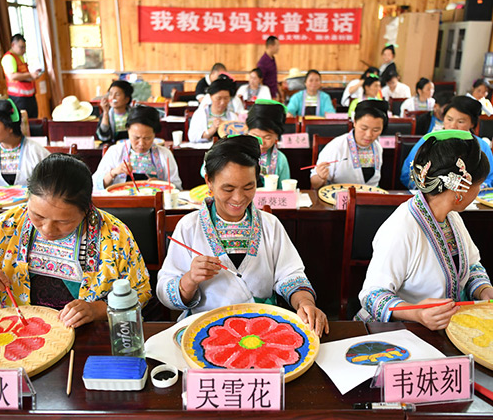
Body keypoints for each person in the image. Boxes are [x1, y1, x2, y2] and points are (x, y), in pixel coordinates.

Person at [0, 153, 152, 328]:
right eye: (37, 216)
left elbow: (141, 292)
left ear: (86, 210)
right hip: (21, 334)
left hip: (89, 336)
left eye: (63, 221)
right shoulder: (7, 225)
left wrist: (97, 310)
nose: (47, 229)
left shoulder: (115, 234)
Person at [156, 136, 329, 336]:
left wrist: (305, 303)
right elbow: (164, 291)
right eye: (228, 189)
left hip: (262, 327)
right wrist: (189, 280)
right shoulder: (189, 226)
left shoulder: (270, 224)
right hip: (205, 329)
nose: (238, 198)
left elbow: (290, 275)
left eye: (248, 187)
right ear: (209, 182)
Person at [357, 130, 493, 330]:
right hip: (404, 331)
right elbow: (372, 295)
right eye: (479, 186)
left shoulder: (451, 217)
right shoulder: (402, 227)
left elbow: (471, 265)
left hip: (444, 327)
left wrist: (484, 290)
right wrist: (417, 313)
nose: (478, 192)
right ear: (460, 190)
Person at [400, 96, 493, 189]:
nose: (453, 125)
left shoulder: (482, 146)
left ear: (472, 124)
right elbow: (407, 173)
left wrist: (469, 190)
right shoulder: (429, 140)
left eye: (460, 122)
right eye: (449, 119)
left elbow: (491, 179)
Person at [92, 105, 182, 190]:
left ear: (155, 134)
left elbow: (177, 187)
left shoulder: (165, 154)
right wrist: (113, 173)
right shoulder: (115, 152)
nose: (141, 143)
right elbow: (95, 185)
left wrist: (162, 185)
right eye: (136, 138)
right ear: (128, 130)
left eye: (147, 138)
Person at [311, 100, 388, 190]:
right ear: (354, 122)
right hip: (339, 199)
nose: (369, 135)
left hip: (369, 199)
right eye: (364, 128)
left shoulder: (377, 147)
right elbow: (314, 183)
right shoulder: (336, 147)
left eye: (376, 130)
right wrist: (320, 177)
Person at [188, 75, 239, 142]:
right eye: (218, 98)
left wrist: (226, 128)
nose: (222, 102)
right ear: (211, 97)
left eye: (226, 98)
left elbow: (238, 139)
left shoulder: (233, 116)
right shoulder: (200, 114)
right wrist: (213, 129)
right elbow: (192, 137)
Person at [1, 34, 41, 118]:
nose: (24, 50)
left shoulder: (20, 57)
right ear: (13, 45)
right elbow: (12, 76)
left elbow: (23, 75)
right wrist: (30, 75)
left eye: (24, 47)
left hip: (29, 96)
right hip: (19, 98)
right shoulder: (9, 58)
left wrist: (32, 76)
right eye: (21, 47)